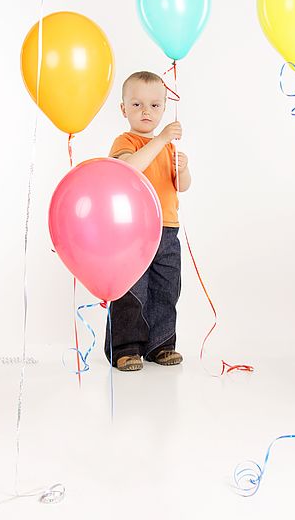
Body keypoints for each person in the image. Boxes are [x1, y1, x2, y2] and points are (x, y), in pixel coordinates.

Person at [104, 71, 191, 371]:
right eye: (137, 104)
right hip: (135, 231)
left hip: (167, 229)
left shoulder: (167, 147)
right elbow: (131, 168)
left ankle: (161, 344)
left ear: (164, 108)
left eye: (155, 106)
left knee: (166, 288)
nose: (146, 112)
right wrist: (163, 137)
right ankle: (126, 348)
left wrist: (184, 169)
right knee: (132, 289)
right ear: (123, 109)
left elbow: (181, 186)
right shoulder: (125, 141)